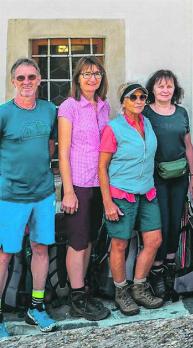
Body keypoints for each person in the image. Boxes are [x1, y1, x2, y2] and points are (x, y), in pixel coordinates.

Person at [0, 58, 59, 336]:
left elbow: (50, 146)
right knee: (4, 255)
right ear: (13, 81)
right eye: (21, 78)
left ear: (40, 80)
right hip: (10, 196)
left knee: (40, 249)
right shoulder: (4, 113)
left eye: (31, 77)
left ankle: (36, 308)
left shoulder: (49, 110)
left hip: (43, 193)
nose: (26, 82)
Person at [99, 83, 164, 316]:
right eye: (133, 97)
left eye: (142, 97)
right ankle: (121, 292)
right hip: (121, 193)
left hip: (147, 192)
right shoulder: (113, 128)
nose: (139, 100)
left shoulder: (147, 123)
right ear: (123, 102)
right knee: (119, 244)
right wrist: (108, 202)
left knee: (154, 240)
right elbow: (102, 167)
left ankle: (139, 287)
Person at [57, 56, 111, 321]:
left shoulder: (103, 106)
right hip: (77, 183)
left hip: (98, 183)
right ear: (77, 78)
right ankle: (76, 298)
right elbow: (63, 152)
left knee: (89, 239)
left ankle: (84, 289)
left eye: (97, 74)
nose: (93, 78)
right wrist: (67, 190)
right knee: (77, 242)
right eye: (87, 74)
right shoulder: (69, 107)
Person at [143, 70, 193, 299]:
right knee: (161, 224)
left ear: (175, 89)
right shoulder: (145, 113)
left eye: (169, 86)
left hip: (179, 176)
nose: (165, 90)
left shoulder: (182, 113)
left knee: (176, 223)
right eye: (160, 86)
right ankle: (155, 272)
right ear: (152, 89)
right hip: (156, 178)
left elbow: (188, 145)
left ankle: (169, 269)